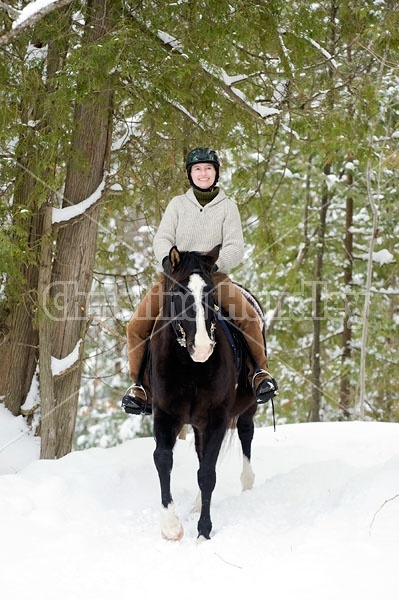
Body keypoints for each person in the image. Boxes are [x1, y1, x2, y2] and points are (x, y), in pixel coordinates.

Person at [124, 147, 278, 414]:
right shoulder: (177, 205)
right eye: (197, 169)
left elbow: (235, 246)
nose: (203, 173)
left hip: (212, 276)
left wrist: (211, 266)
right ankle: (142, 388)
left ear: (216, 172)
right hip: (176, 276)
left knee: (247, 317)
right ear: (190, 174)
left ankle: (259, 374)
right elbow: (162, 239)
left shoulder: (227, 206)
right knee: (137, 325)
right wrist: (167, 264)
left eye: (208, 168)